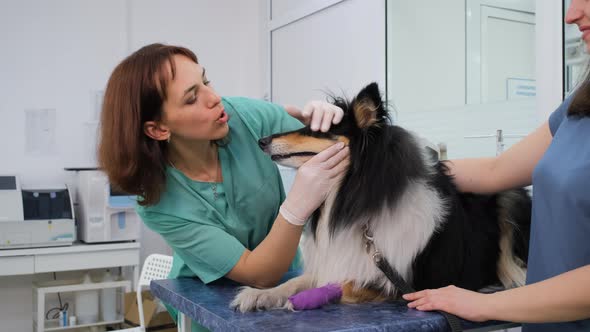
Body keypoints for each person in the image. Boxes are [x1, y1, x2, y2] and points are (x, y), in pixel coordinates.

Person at [98, 43, 349, 330]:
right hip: (213, 305)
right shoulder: (159, 204)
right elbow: (258, 273)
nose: (214, 98)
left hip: (287, 284)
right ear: (158, 129)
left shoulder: (241, 116)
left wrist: (328, 121)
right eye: (192, 98)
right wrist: (296, 208)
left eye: (205, 81)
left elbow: (321, 142)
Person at [402, 1, 590, 331]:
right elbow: (497, 170)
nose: (571, 15)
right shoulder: (578, 107)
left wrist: (483, 303)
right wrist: (396, 170)